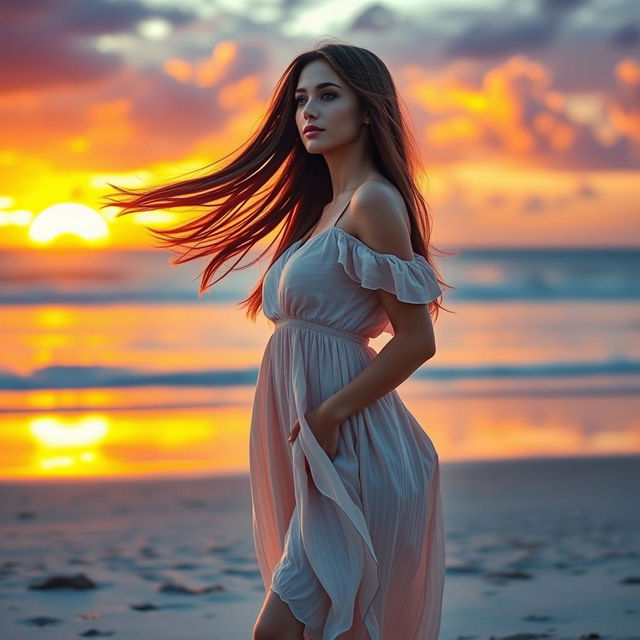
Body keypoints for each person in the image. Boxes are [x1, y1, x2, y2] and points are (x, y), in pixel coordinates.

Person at [103, 39, 450, 640]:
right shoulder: (324, 209)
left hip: (354, 448)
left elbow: (417, 340)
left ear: (368, 110)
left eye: (327, 95)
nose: (307, 111)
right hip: (318, 440)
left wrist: (328, 414)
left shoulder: (373, 202)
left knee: (285, 629)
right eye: (299, 99)